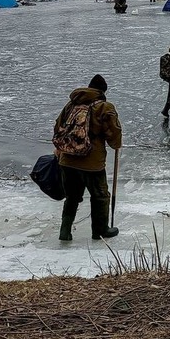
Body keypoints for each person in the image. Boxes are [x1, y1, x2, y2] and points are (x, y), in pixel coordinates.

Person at [55, 74, 122, 241]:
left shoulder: (71, 104)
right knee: (100, 195)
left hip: (67, 159)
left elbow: (58, 125)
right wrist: (116, 144)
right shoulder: (104, 107)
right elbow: (113, 133)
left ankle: (65, 232)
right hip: (92, 162)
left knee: (72, 196)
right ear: (102, 91)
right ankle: (100, 230)